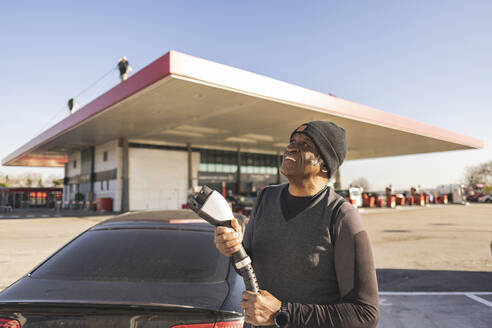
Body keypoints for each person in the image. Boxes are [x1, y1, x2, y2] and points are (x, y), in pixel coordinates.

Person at [215, 121, 379, 328]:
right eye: (292, 141)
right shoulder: (266, 198)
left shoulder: (341, 216)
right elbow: (246, 267)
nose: (291, 147)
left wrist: (282, 313)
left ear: (326, 164)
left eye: (306, 144)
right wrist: (233, 248)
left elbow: (364, 314)